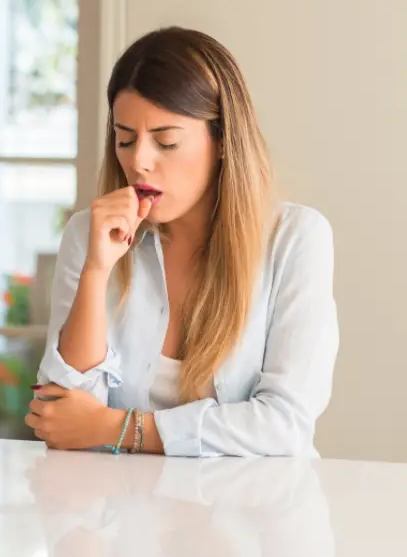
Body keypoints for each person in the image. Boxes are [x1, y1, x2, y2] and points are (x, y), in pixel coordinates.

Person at [24, 26, 339, 457]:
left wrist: (121, 429)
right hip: (121, 515)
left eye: (166, 142)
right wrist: (96, 273)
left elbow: (285, 424)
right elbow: (62, 417)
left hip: (257, 517)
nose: (139, 162)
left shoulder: (297, 239)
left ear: (223, 141)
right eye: (126, 139)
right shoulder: (90, 234)